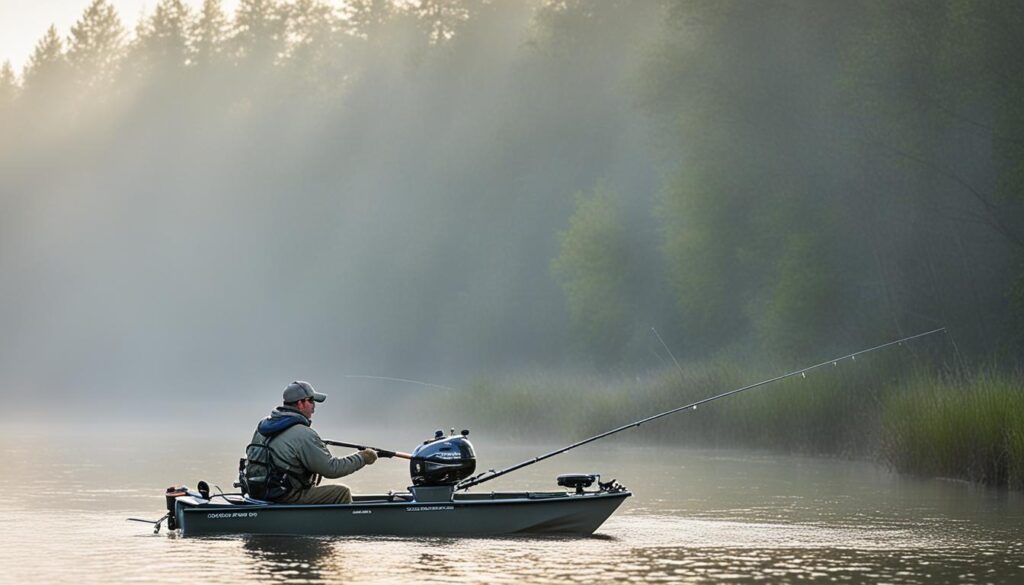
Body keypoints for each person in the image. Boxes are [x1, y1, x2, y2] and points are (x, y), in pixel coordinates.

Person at [242, 380, 377, 504]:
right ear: (300, 403)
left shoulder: (264, 426)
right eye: (311, 401)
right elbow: (332, 469)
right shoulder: (304, 434)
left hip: (259, 493)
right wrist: (363, 458)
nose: (314, 406)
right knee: (341, 493)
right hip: (283, 496)